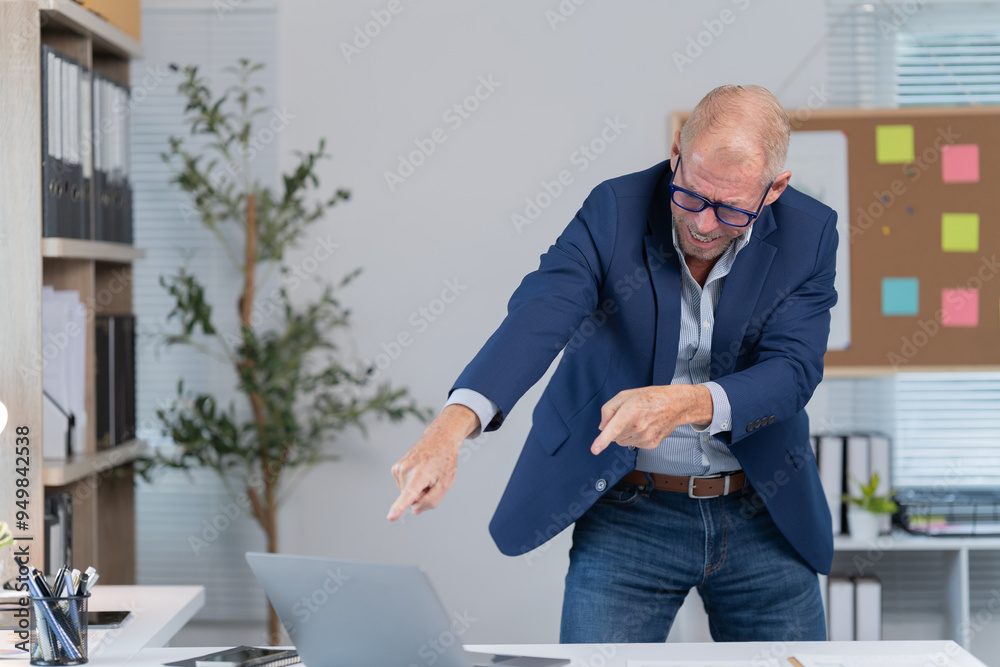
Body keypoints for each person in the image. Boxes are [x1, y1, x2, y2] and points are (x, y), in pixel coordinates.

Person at [387, 84, 838, 643]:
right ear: (676, 153)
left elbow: (793, 371)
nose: (703, 225)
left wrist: (686, 403)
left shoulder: (809, 234)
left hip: (761, 510)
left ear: (775, 190)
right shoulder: (615, 210)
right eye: (692, 195)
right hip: (631, 509)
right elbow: (540, 314)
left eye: (731, 209)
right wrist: (449, 430)